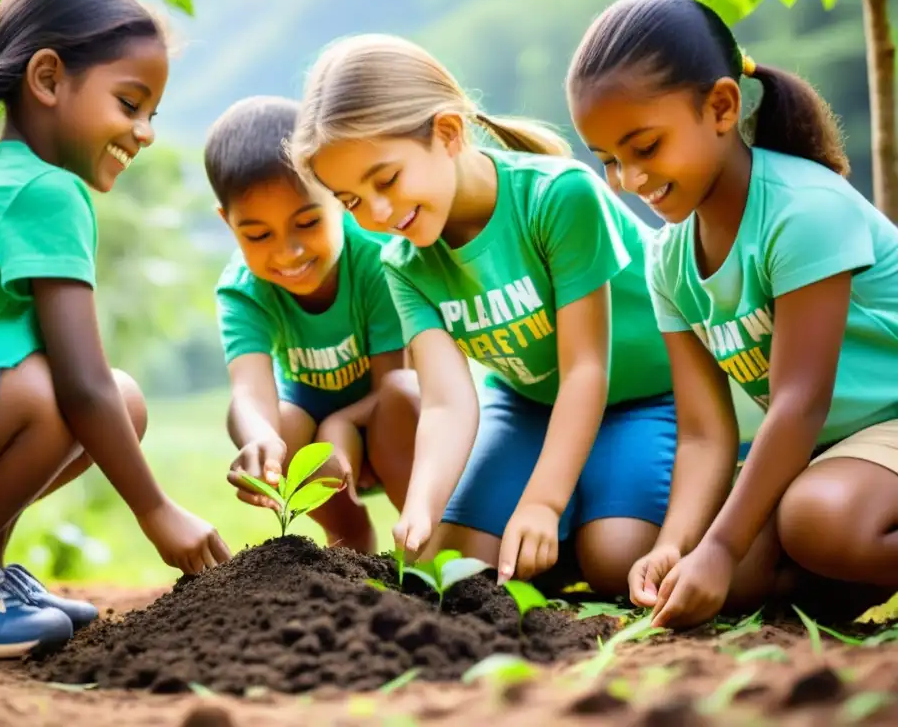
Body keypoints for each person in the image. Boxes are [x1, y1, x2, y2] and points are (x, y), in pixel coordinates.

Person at [0, 0, 230, 659]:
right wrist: (156, 511)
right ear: (47, 79)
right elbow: (82, 383)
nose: (145, 131)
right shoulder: (46, 194)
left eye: (152, 113)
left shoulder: (10, 182)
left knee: (96, 400)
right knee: (105, 398)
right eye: (130, 104)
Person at [290, 33, 677, 595]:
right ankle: (564, 525)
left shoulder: (558, 197)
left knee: (616, 560)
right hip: (528, 404)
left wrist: (544, 501)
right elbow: (447, 401)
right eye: (350, 201)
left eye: (387, 180)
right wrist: (421, 505)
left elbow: (586, 369)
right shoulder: (404, 262)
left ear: (447, 133)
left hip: (644, 396)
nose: (376, 212)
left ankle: (578, 514)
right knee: (466, 571)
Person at [567, 0, 898, 628]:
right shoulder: (668, 261)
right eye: (608, 159)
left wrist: (720, 545)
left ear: (720, 107)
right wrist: (675, 544)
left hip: (879, 419)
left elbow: (800, 401)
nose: (629, 180)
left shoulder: (803, 212)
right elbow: (704, 432)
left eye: (645, 146)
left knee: (814, 523)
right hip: (831, 448)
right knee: (732, 577)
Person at [207, 95, 419, 553]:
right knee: (261, 422)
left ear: (339, 197)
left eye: (307, 222)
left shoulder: (377, 260)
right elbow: (249, 390)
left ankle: (423, 537)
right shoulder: (243, 290)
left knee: (404, 391)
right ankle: (349, 537)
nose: (288, 252)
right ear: (228, 224)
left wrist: (339, 426)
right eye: (258, 235)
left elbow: (393, 384)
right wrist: (260, 439)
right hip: (311, 424)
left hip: (388, 422)